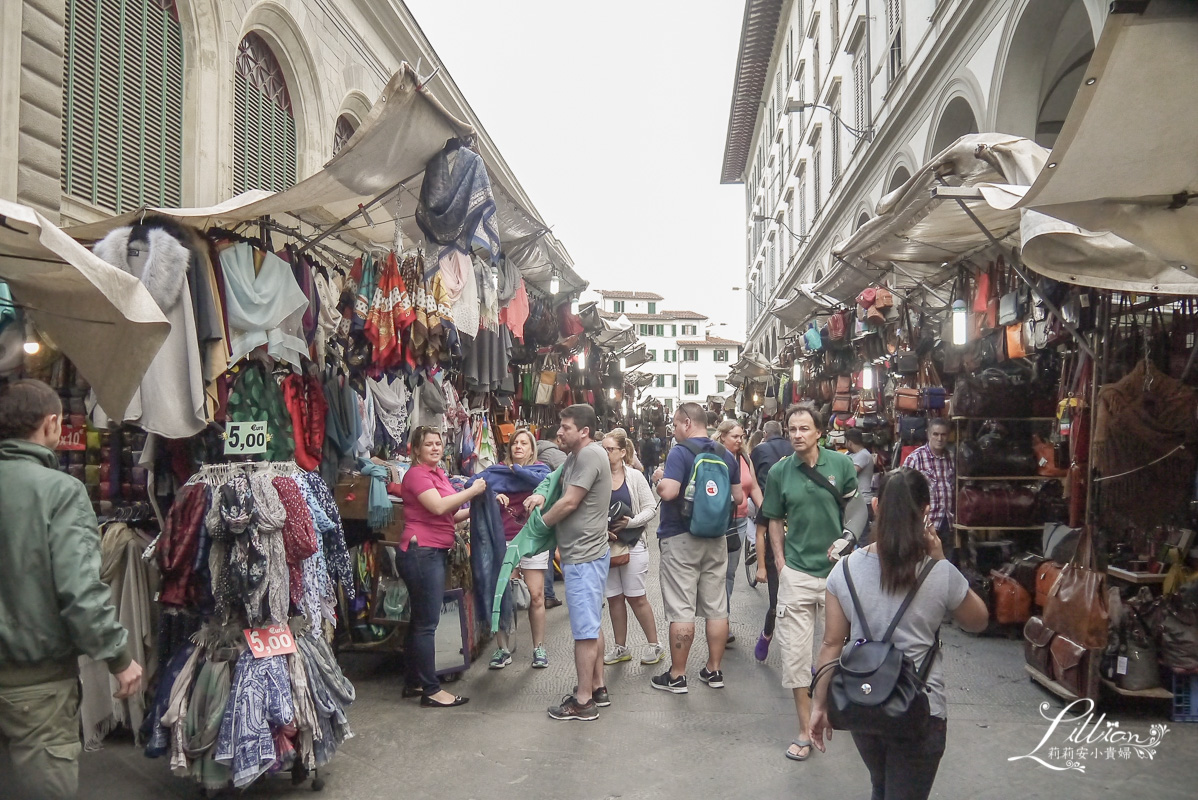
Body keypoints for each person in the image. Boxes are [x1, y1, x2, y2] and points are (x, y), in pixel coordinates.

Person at [0, 380, 145, 800]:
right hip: (36, 689)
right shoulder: (60, 493)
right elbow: (79, 589)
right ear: (50, 425)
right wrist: (119, 656)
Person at [808, 469, 989, 799]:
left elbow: (831, 644)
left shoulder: (844, 569)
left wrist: (819, 705)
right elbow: (977, 621)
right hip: (920, 710)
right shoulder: (938, 571)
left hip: (862, 703)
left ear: (876, 506)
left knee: (881, 785)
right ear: (925, 511)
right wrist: (940, 559)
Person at [760, 403, 858, 761]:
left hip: (838, 575)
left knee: (840, 651)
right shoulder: (780, 472)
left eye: (804, 428)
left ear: (819, 432)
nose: (797, 435)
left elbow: (856, 508)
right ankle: (804, 729)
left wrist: (848, 538)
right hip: (797, 574)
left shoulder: (842, 465)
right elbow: (773, 520)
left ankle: (837, 713)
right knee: (796, 657)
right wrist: (781, 565)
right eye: (792, 429)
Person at [650, 402, 743, 694]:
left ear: (687, 423)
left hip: (681, 537)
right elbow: (739, 498)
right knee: (717, 607)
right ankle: (714, 671)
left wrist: (657, 479)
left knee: (682, 608)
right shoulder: (726, 454)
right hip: (716, 537)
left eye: (676, 425)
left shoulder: (680, 452)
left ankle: (677, 676)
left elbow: (670, 491)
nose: (674, 431)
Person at [527, 404, 613, 721]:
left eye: (565, 427)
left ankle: (583, 701)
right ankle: (598, 687)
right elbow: (553, 480)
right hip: (586, 554)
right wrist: (539, 494)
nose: (559, 432)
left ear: (584, 431)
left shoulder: (589, 455)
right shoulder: (576, 457)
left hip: (583, 556)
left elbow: (570, 501)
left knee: (584, 633)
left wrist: (541, 524)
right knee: (591, 624)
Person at [398, 426, 487, 707]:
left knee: (419, 621)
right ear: (416, 449)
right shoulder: (416, 475)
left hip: (431, 552)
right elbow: (438, 507)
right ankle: (431, 690)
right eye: (429, 445)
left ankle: (414, 681)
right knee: (427, 624)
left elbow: (450, 514)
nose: (435, 448)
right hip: (421, 553)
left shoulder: (437, 474)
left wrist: (478, 508)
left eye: (438, 444)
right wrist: (472, 491)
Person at [486, 429, 552, 670]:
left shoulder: (541, 471)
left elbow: (547, 486)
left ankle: (538, 648)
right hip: (504, 538)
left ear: (532, 449)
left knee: (536, 595)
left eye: (524, 443)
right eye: (515, 443)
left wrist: (519, 471)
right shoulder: (497, 471)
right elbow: (477, 487)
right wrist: (494, 495)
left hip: (533, 539)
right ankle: (502, 649)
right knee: (503, 594)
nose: (518, 447)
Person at [600, 428, 664, 667]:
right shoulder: (598, 478)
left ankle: (654, 644)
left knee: (636, 597)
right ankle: (620, 647)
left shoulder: (635, 477)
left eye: (610, 449)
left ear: (622, 452)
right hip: (606, 546)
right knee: (614, 598)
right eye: (603, 449)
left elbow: (649, 508)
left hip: (633, 544)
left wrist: (631, 522)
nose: (606, 453)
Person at [713, 420, 763, 631]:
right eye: (735, 436)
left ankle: (723, 617)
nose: (740, 440)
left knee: (730, 572)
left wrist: (765, 510)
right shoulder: (714, 457)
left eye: (742, 436)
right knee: (716, 573)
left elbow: (753, 486)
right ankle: (717, 619)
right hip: (716, 521)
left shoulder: (744, 457)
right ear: (722, 436)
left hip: (739, 520)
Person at [750, 420, 793, 662]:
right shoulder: (772, 499)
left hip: (799, 556)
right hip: (776, 555)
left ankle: (798, 656)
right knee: (777, 603)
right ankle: (767, 633)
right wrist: (762, 566)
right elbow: (760, 532)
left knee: (798, 607)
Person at [903, 418, 955, 561]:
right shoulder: (915, 459)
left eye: (943, 434)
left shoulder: (952, 459)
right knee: (924, 566)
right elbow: (904, 493)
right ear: (928, 434)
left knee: (946, 567)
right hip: (925, 525)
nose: (939, 438)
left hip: (947, 523)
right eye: (935, 434)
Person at [535, 427, 566, 608]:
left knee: (543, 552)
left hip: (537, 504)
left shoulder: (536, 452)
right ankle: (548, 593)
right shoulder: (555, 454)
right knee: (555, 552)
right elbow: (568, 476)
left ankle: (545, 593)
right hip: (553, 507)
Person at [845, 429, 876, 545]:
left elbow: (850, 474)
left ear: (850, 442)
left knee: (863, 536)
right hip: (855, 499)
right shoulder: (851, 454)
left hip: (863, 500)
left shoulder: (864, 455)